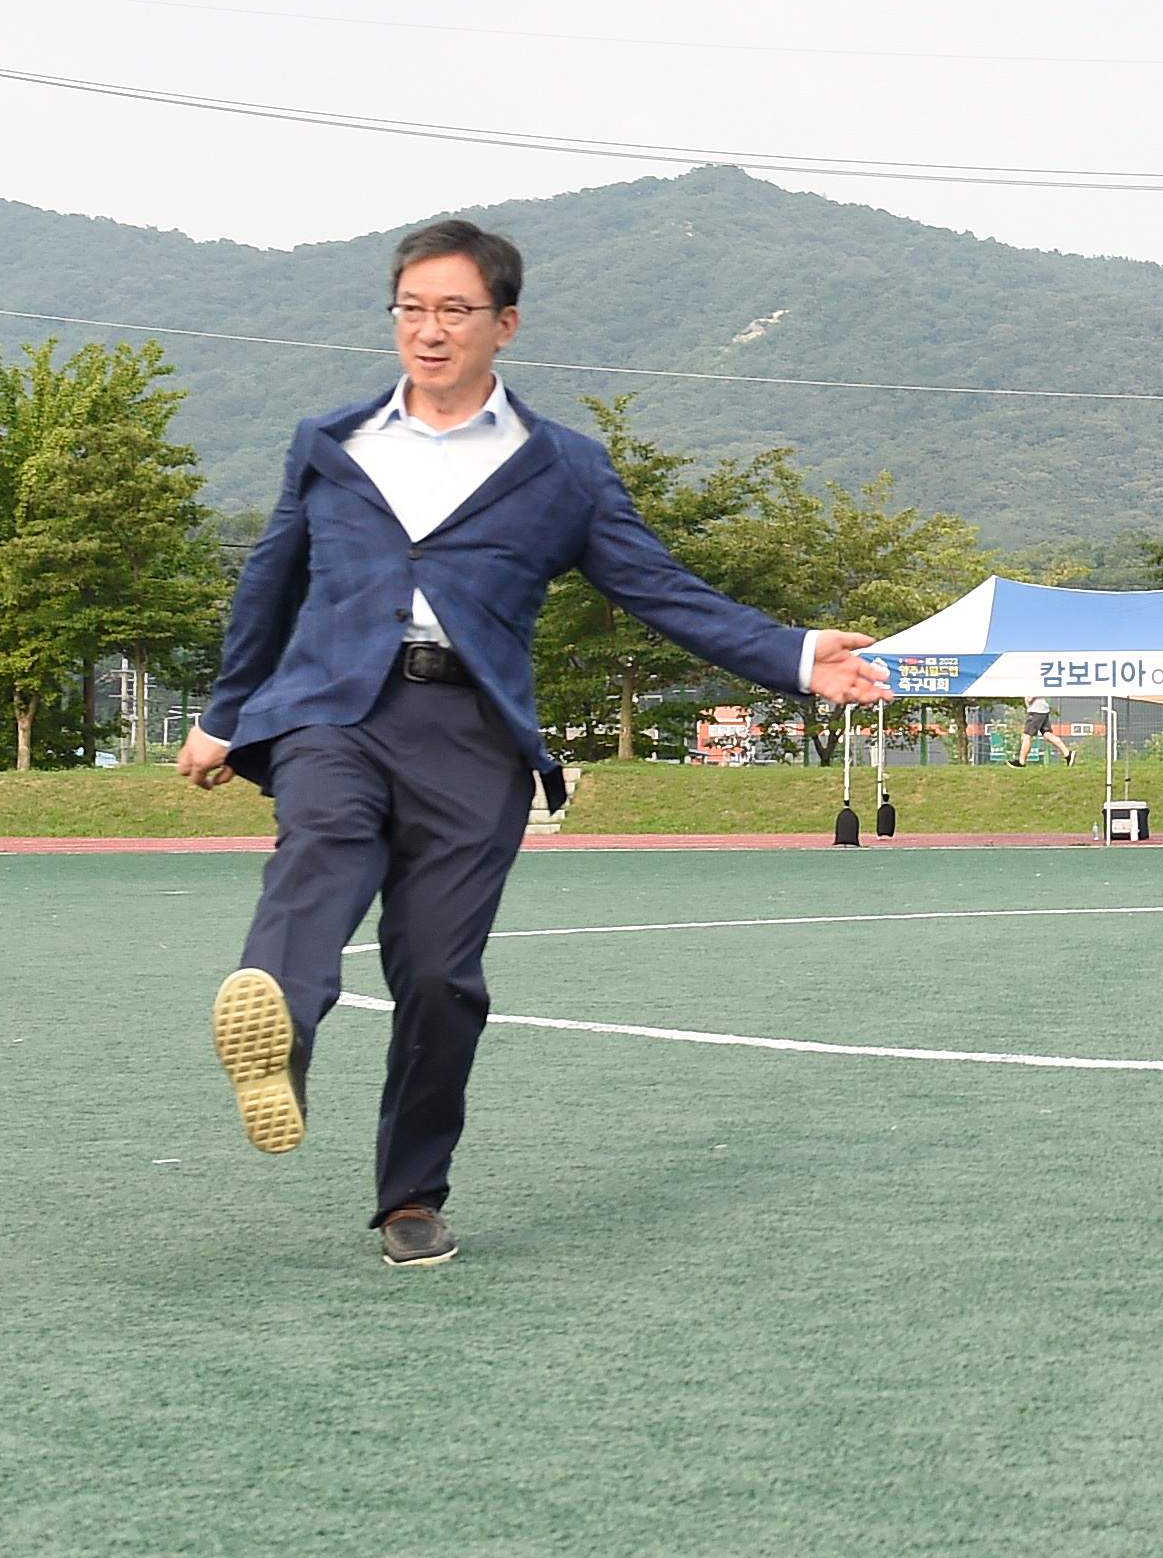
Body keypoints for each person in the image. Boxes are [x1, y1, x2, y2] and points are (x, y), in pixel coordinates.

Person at [177, 218, 889, 1266]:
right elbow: (267, 582)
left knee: (438, 973)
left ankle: (408, 1195)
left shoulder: (563, 468)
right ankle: (277, 1029)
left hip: (472, 736)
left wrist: (788, 654)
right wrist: (224, 712)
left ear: (503, 324)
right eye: (411, 309)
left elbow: (658, 590)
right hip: (335, 710)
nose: (429, 330)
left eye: (454, 310)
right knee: (319, 843)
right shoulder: (329, 443)